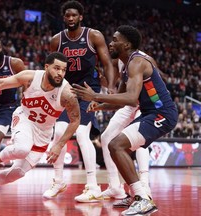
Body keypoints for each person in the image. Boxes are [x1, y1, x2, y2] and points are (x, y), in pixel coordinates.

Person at [72, 25, 178, 215]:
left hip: (162, 114)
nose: (110, 44)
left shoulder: (136, 62)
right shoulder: (126, 67)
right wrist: (100, 105)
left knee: (116, 145)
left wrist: (96, 96)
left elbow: (130, 98)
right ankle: (137, 194)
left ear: (127, 44)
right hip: (150, 113)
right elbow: (121, 102)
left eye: (114, 40)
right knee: (119, 148)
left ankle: (143, 199)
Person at [0, 52, 80, 206]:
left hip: (44, 133)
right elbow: (1, 83)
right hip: (24, 119)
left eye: (63, 70)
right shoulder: (30, 77)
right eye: (56, 68)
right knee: (22, 148)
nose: (60, 73)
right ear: (46, 67)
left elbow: (75, 120)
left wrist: (59, 145)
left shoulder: (67, 93)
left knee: (17, 173)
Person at [43, 0, 115, 202]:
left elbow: (107, 62)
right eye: (68, 15)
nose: (71, 18)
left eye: (75, 15)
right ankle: (58, 182)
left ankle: (92, 185)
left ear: (81, 17)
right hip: (65, 91)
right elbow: (50, 68)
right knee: (58, 132)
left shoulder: (93, 35)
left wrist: (108, 86)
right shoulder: (57, 40)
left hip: (87, 91)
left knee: (82, 134)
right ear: (63, 17)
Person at [100, 59, 152, 207]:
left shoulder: (141, 59)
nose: (111, 45)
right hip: (131, 104)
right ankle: (115, 187)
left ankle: (144, 186)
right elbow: (122, 94)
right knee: (106, 137)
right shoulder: (121, 62)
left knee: (141, 139)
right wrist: (108, 87)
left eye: (115, 41)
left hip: (146, 103)